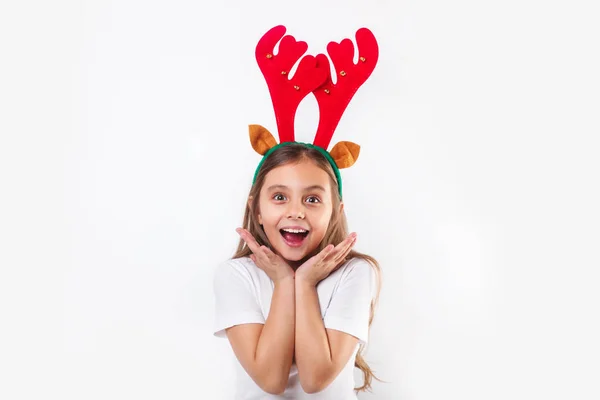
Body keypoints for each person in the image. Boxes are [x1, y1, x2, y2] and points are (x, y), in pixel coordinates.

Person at [213, 25, 384, 399]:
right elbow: (271, 381)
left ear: (336, 211)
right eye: (279, 197)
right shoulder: (235, 275)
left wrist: (303, 283)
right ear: (255, 209)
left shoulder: (356, 273)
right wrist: (282, 282)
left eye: (312, 199)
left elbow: (315, 378)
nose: (296, 212)